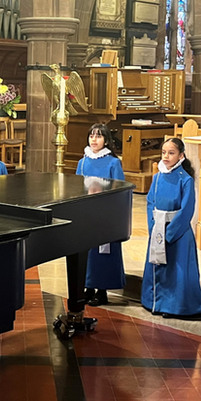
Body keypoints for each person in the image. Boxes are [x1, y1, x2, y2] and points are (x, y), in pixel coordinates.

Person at [141, 138, 201, 318]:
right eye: (163, 152)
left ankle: (174, 306)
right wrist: (154, 227)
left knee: (176, 269)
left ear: (181, 155)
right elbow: (150, 202)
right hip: (158, 229)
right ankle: (155, 301)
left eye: (171, 153)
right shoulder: (157, 177)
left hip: (178, 234)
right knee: (159, 265)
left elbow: (187, 209)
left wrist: (170, 232)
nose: (166, 156)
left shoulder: (186, 180)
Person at [77, 123, 125, 306]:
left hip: (105, 215)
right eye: (91, 136)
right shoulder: (83, 162)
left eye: (98, 136)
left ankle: (102, 290)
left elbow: (119, 189)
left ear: (106, 140)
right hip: (86, 214)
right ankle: (88, 287)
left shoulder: (113, 162)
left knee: (103, 254)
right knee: (87, 253)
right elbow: (75, 188)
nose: (94, 139)